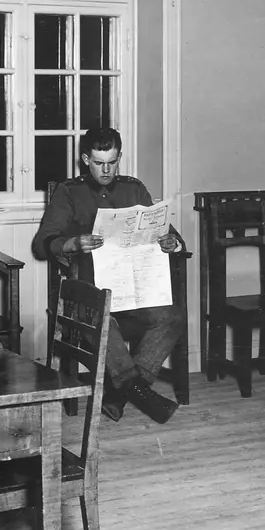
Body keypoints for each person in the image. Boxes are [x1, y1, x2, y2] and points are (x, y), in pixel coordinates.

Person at [32, 127, 185, 425]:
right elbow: (42, 243)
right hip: (89, 296)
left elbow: (168, 231)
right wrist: (72, 243)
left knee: (172, 316)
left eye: (112, 162)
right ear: (85, 159)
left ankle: (120, 394)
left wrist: (172, 242)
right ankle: (139, 393)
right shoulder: (69, 191)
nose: (106, 170)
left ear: (119, 158)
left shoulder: (134, 189)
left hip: (134, 293)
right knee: (101, 320)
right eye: (99, 163)